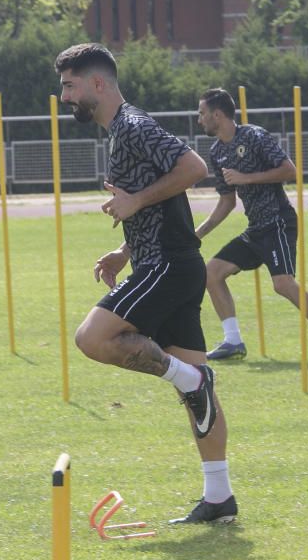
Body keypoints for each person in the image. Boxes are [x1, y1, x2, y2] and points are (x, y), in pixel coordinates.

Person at [56, 43, 236, 524]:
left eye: (70, 87)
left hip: (169, 266)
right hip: (165, 261)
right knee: (197, 395)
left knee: (92, 338)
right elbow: (156, 203)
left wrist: (134, 205)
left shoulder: (133, 125)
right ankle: (219, 497)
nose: (64, 98)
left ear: (98, 84)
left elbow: (195, 168)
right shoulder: (117, 133)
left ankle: (189, 379)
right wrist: (124, 249)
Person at [195, 87, 308, 363]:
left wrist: (247, 177)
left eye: (202, 113)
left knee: (282, 284)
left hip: (278, 221)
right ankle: (233, 341)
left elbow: (290, 170)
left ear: (217, 114)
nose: (199, 119)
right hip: (256, 228)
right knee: (211, 273)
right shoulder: (217, 151)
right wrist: (199, 233)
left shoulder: (254, 136)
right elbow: (227, 202)